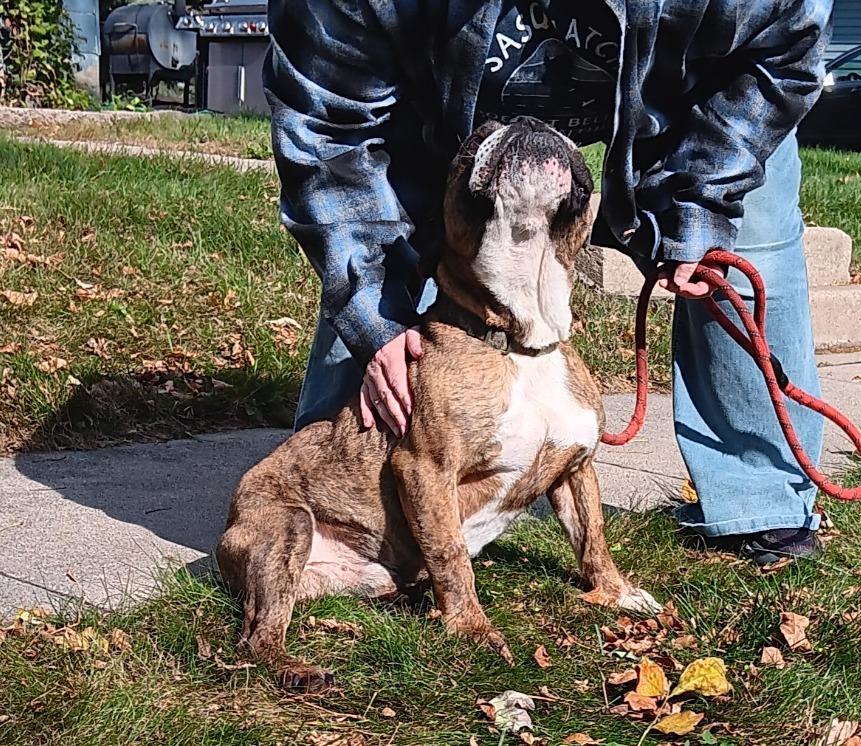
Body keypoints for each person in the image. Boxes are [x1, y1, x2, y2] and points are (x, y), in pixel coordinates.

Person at [265, 0, 832, 565]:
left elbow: (782, 51)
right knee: (373, 361)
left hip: (686, 94)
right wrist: (374, 315)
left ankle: (764, 502)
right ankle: (343, 523)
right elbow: (329, 127)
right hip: (428, 99)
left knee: (744, 229)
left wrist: (702, 197)